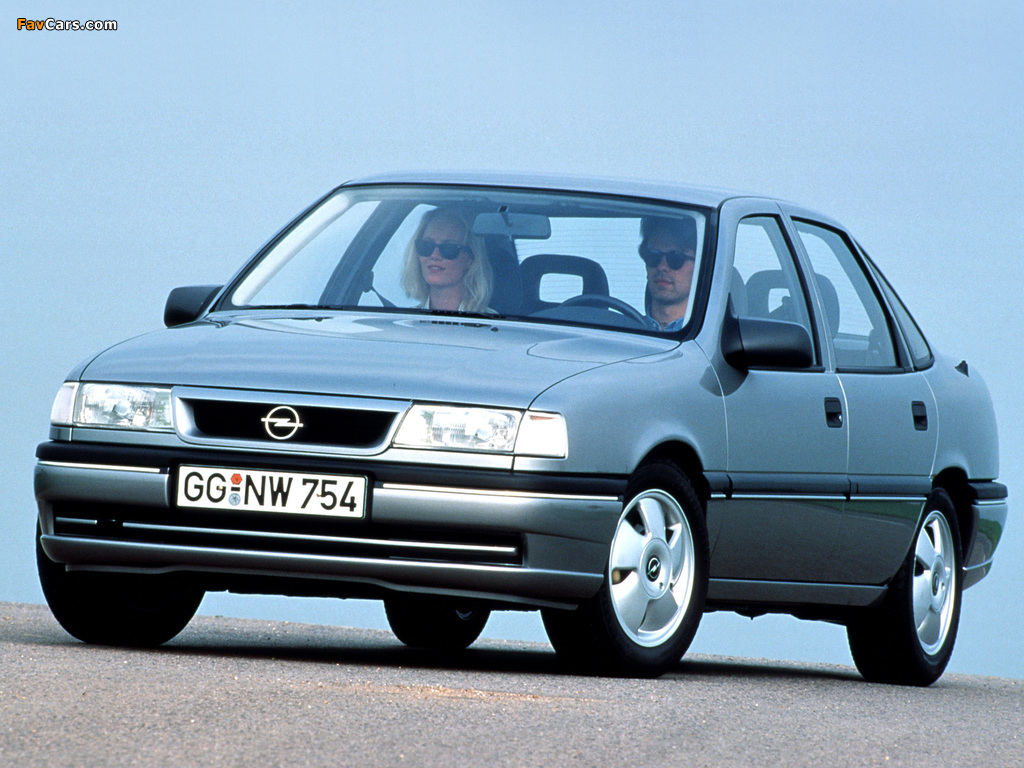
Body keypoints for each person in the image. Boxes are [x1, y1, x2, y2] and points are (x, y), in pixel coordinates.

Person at [401, 208, 493, 313]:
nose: (435, 255)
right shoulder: (405, 319)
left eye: (448, 248)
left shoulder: (489, 321)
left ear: (470, 260)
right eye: (426, 246)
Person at [638, 216, 697, 331]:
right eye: (654, 256)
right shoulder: (623, 333)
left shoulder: (712, 336)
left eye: (675, 257)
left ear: (699, 265)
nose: (662, 267)